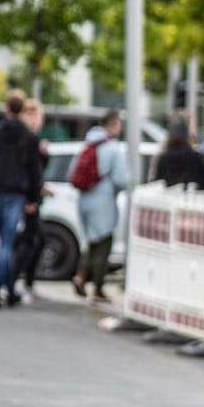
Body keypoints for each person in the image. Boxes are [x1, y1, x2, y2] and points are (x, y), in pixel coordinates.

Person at [0, 90, 43, 308]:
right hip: (16, 193)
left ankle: (5, 287)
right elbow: (33, 170)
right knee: (7, 242)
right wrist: (33, 198)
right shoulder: (28, 136)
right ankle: (0, 286)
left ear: (7, 108)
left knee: (4, 241)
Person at [71, 110, 129, 304]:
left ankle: (80, 276)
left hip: (84, 200)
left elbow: (73, 172)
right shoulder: (113, 148)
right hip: (103, 201)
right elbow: (121, 179)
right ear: (113, 125)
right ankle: (97, 286)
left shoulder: (88, 143)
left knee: (91, 240)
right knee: (103, 243)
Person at [13, 99, 50, 301]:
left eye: (39, 117)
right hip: (26, 198)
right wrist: (32, 197)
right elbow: (28, 171)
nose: (37, 121)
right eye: (34, 116)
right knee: (30, 240)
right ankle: (19, 280)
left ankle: (23, 280)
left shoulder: (34, 140)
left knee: (32, 239)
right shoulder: (26, 140)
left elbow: (37, 172)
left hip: (30, 196)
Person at [152, 118, 204, 190]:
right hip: (193, 198)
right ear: (187, 137)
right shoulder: (197, 157)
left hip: (169, 198)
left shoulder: (164, 158)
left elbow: (158, 183)